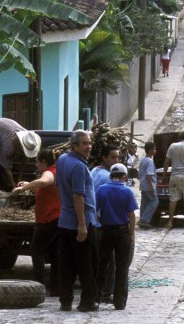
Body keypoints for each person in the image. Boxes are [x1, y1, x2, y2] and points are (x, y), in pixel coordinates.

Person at [55, 129, 100, 312]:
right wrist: (82, 224)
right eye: (84, 144)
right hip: (81, 222)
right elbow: (78, 197)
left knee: (66, 264)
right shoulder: (79, 167)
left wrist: (64, 208)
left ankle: (65, 301)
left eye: (89, 143)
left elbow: (58, 187)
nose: (88, 147)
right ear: (74, 145)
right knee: (88, 264)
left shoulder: (62, 160)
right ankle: (87, 302)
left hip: (65, 220)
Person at [11, 151, 60, 296]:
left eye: (37, 162)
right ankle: (56, 289)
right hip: (56, 218)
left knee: (36, 250)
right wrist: (29, 185)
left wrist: (22, 188)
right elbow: (44, 185)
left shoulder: (50, 172)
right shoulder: (54, 170)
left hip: (49, 219)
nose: (36, 165)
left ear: (43, 162)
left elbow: (45, 181)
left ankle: (39, 286)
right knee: (54, 253)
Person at [95, 163, 138, 309]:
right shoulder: (127, 191)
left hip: (106, 231)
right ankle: (120, 302)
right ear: (124, 176)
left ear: (110, 175)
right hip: (122, 232)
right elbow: (131, 215)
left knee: (102, 265)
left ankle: (96, 298)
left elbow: (96, 211)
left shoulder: (101, 190)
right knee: (122, 267)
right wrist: (132, 234)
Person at [0, 118, 40, 192]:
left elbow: (25, 160)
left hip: (2, 132)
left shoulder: (27, 137)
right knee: (0, 169)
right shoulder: (9, 146)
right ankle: (1, 192)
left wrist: (19, 178)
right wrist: (14, 186)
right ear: (20, 145)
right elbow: (6, 168)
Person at [137, 141, 158, 228]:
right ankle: (144, 219)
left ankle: (142, 219)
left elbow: (140, 174)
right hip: (149, 186)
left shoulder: (143, 160)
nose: (155, 150)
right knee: (154, 201)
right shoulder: (150, 161)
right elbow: (149, 175)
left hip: (143, 185)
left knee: (144, 203)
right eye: (154, 149)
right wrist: (152, 187)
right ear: (150, 150)